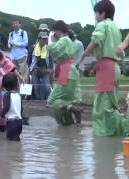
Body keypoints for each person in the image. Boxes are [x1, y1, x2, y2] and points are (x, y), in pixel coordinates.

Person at [78, 0, 129, 136]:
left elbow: (96, 41)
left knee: (104, 106)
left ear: (103, 13)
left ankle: (119, 130)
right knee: (108, 103)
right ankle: (112, 133)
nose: (95, 16)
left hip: (107, 68)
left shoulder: (103, 25)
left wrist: (83, 55)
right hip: (113, 67)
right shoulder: (116, 28)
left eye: (97, 13)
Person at [47, 20, 82, 125]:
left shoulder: (64, 39)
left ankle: (72, 109)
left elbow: (52, 49)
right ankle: (68, 123)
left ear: (58, 30)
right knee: (65, 100)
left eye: (55, 31)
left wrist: (50, 39)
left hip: (66, 71)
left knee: (52, 101)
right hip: (70, 71)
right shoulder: (68, 41)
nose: (54, 34)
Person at [0, 72, 23, 141]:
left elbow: (6, 107)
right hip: (19, 122)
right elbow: (21, 109)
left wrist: (1, 116)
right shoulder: (18, 95)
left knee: (12, 143)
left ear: (4, 85)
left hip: (11, 123)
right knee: (14, 140)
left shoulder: (7, 95)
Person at [30, 32, 52, 100]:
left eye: (46, 39)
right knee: (36, 87)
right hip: (35, 69)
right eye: (43, 39)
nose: (45, 40)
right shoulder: (33, 48)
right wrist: (30, 69)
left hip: (45, 69)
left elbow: (50, 59)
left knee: (47, 87)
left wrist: (51, 69)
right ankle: (38, 101)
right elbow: (29, 59)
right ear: (39, 39)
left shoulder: (48, 48)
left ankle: (47, 100)